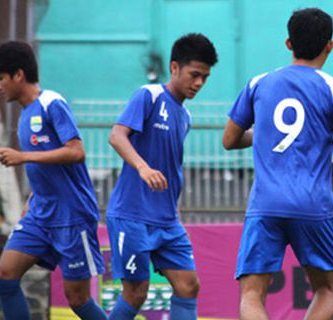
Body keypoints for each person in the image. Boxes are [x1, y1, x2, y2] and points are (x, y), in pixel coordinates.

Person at [222, 8, 333, 320]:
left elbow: (230, 140)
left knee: (251, 294)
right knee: (326, 290)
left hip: (265, 204)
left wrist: (262, 132)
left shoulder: (259, 83)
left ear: (288, 43)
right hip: (312, 205)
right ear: (330, 46)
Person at [0, 41, 106, 320]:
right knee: (4, 277)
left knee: (77, 299)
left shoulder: (51, 103)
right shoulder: (24, 115)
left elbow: (76, 152)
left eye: (1, 78)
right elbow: (45, 166)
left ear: (18, 75)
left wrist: (24, 157)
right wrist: (32, 197)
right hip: (40, 214)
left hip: (72, 216)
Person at [105, 33, 217, 320]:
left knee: (188, 286)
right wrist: (142, 167)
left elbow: (170, 167)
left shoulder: (185, 116)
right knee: (136, 293)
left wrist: (174, 211)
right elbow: (117, 136)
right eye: (194, 75)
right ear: (174, 67)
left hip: (167, 221)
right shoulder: (149, 95)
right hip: (132, 216)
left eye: (204, 77)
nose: (199, 83)